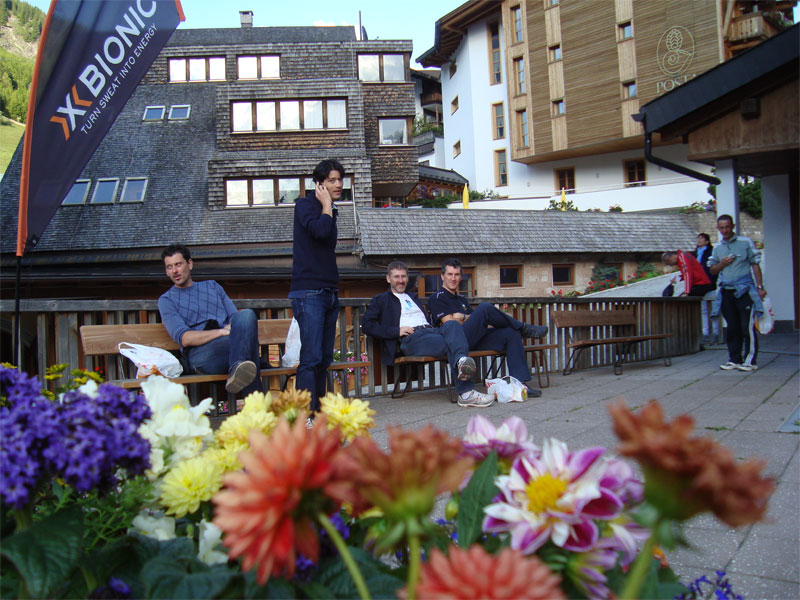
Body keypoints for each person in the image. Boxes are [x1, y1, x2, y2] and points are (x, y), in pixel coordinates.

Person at [361, 261, 494, 408]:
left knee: (452, 324)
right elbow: (367, 325)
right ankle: (466, 392)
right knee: (454, 343)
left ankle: (462, 362)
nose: (400, 280)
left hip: (430, 331)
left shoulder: (412, 297)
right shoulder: (380, 300)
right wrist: (396, 331)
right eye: (396, 277)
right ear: (388, 279)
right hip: (411, 338)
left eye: (403, 277)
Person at [427, 258, 548, 398]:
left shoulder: (461, 300)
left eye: (457, 274)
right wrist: (467, 318)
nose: (453, 278)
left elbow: (480, 323)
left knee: (510, 333)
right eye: (449, 274)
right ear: (442, 276)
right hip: (455, 344)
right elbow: (450, 324)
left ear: (461, 277)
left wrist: (463, 317)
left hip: (472, 339)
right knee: (484, 308)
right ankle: (524, 328)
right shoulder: (437, 297)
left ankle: (521, 384)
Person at [158, 244, 262, 396]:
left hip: (231, 347)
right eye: (169, 267)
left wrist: (231, 332)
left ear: (190, 264)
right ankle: (257, 405)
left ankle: (238, 367)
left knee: (247, 314)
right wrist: (221, 332)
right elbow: (185, 338)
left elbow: (237, 320)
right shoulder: (167, 300)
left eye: (178, 264)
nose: (174, 271)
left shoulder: (212, 286)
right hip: (201, 354)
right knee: (247, 347)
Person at [289, 159, 342, 425]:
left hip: (329, 292)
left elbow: (328, 245)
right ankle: (304, 416)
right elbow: (321, 233)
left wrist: (328, 209)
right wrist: (325, 207)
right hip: (308, 292)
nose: (339, 184)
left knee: (323, 357)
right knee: (310, 357)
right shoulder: (305, 205)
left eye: (340, 179)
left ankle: (318, 413)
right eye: (332, 180)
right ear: (319, 183)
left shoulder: (329, 210)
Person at [707, 214, 766, 372]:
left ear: (732, 226)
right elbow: (712, 270)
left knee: (746, 326)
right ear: (718, 228)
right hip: (727, 290)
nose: (725, 230)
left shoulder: (745, 242)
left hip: (745, 289)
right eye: (722, 228)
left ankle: (750, 360)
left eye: (727, 227)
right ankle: (734, 359)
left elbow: (755, 265)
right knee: (732, 327)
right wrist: (722, 263)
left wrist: (760, 287)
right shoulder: (717, 247)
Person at [691, 233, 720, 342]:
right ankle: (706, 333)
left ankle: (716, 333)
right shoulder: (695, 253)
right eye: (698, 238)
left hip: (710, 284)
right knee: (703, 310)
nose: (699, 240)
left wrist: (712, 280)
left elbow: (713, 268)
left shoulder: (710, 252)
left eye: (701, 238)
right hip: (699, 285)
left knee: (714, 310)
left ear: (707, 241)